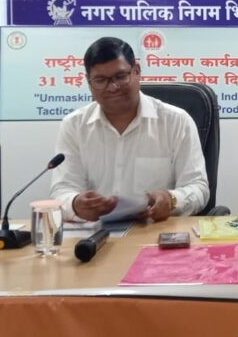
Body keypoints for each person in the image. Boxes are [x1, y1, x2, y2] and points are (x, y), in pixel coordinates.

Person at [50, 37, 209, 222]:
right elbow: (61, 190)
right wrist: (75, 204)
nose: (113, 87)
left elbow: (198, 188)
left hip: (155, 230)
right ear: (88, 81)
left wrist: (171, 199)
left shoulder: (176, 121)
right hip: (95, 232)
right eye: (100, 80)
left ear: (137, 71)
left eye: (120, 77)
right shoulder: (74, 125)